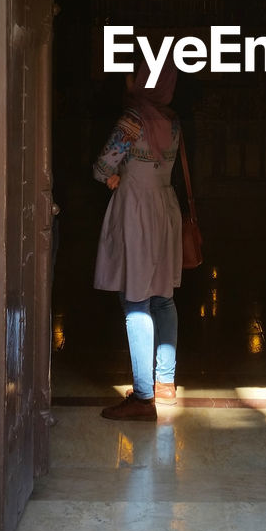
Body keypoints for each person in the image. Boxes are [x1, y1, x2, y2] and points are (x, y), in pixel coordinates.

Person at [93, 59, 182, 421]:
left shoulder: (132, 121)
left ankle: (143, 398)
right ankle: (165, 383)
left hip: (136, 212)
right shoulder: (173, 122)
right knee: (163, 298)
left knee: (135, 300)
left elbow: (101, 167)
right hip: (165, 209)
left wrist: (110, 177)